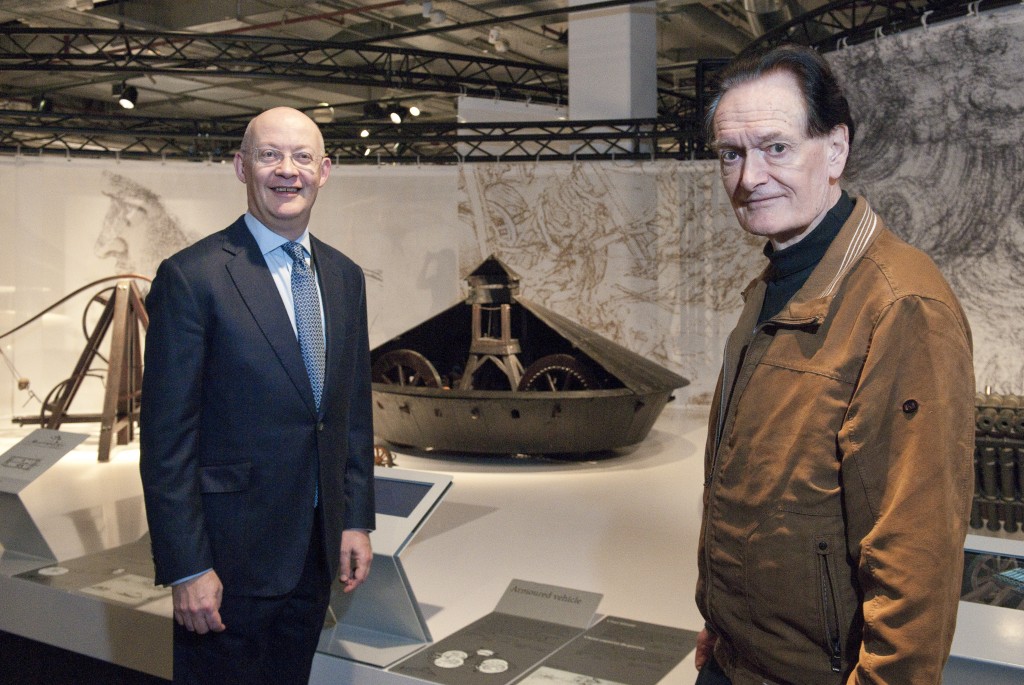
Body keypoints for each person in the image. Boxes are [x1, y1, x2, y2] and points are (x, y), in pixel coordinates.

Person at [694, 45, 975, 684]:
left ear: (836, 150)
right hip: (737, 658)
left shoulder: (901, 305)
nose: (749, 177)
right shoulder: (776, 283)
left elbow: (917, 555)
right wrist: (725, 623)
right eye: (731, 154)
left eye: (776, 147)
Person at [140, 106, 375, 684]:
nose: (286, 170)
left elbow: (349, 414)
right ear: (241, 167)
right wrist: (187, 566)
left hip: (314, 556)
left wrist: (354, 519)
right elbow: (167, 439)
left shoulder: (344, 276)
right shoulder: (192, 277)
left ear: (325, 171)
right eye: (269, 155)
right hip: (226, 566)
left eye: (301, 157)